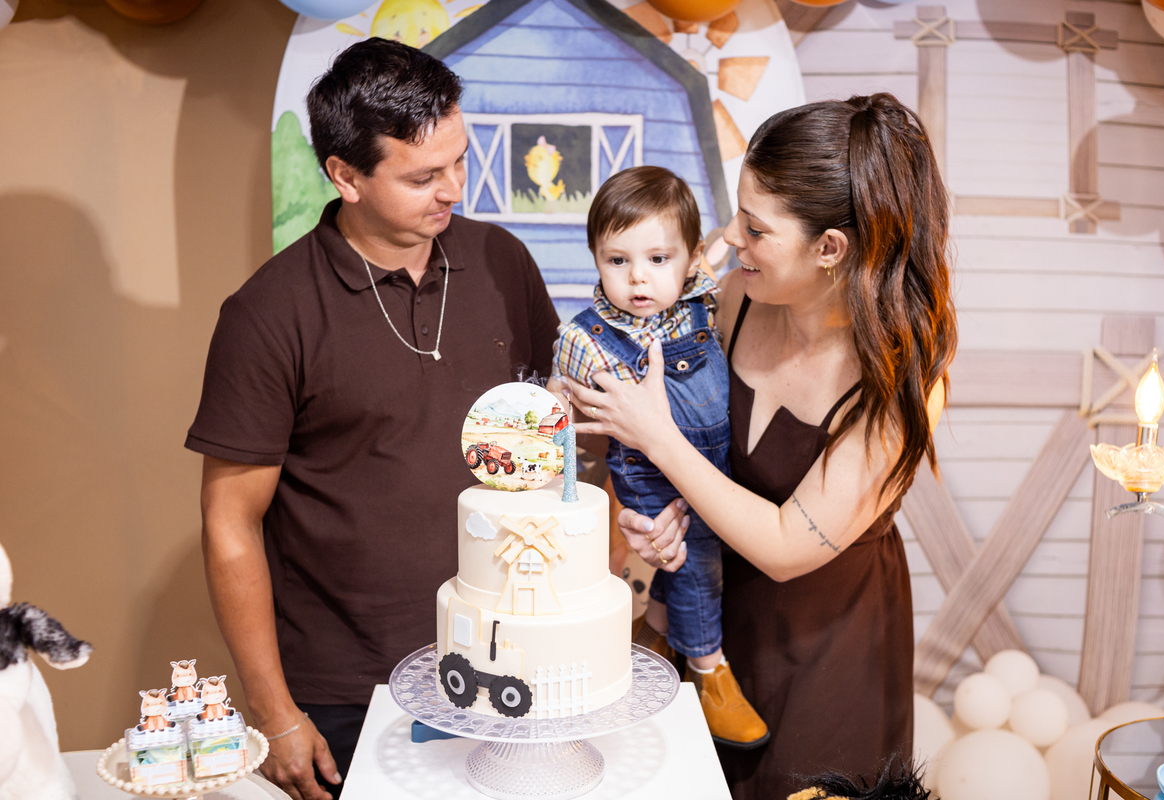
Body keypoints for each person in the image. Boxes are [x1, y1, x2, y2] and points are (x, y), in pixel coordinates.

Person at [186, 40, 559, 800]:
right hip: (348, 691)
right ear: (345, 176)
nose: (454, 189)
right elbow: (230, 523)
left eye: (460, 160)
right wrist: (275, 714)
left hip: (512, 661)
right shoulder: (268, 313)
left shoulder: (503, 262)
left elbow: (558, 435)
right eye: (422, 177)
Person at [562, 93, 956, 799]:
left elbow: (782, 544)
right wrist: (660, 520)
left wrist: (657, 439)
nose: (729, 238)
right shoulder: (739, 295)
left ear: (829, 249)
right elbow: (687, 443)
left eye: (754, 227)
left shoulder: (901, 384)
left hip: (826, 647)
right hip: (713, 613)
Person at [551, 166, 768, 748]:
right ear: (596, 259)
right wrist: (558, 410)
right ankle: (708, 668)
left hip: (713, 465)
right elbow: (560, 408)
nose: (638, 277)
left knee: (706, 555)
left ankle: (656, 632)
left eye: (657, 259)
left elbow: (717, 249)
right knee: (695, 563)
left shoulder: (702, 302)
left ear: (691, 260)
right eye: (617, 260)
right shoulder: (585, 338)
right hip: (649, 478)